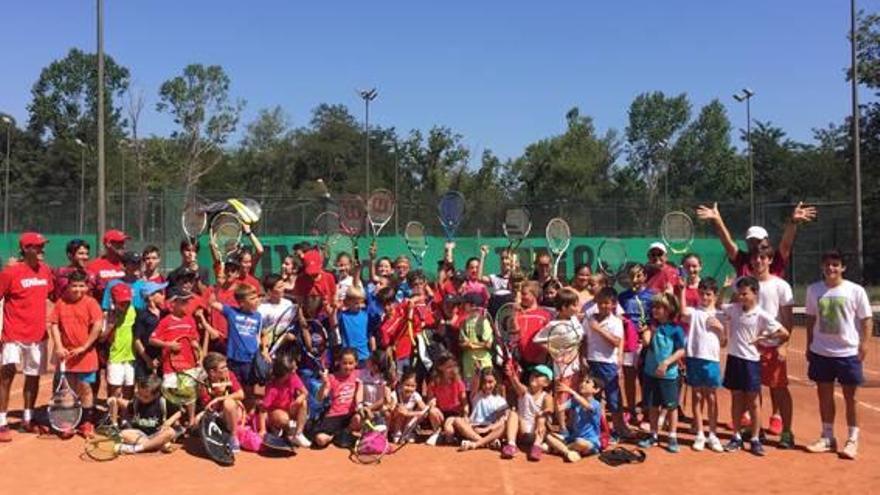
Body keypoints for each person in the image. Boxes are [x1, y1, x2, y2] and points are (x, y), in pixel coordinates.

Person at [804, 249, 873, 460]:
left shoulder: (855, 290)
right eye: (827, 264)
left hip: (848, 354)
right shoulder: (814, 290)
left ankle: (852, 439)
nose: (831, 268)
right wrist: (809, 344)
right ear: (822, 267)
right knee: (824, 395)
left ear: (842, 267)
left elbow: (866, 319)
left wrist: (864, 344)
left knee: (851, 398)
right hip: (821, 352)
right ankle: (827, 437)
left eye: (835, 264)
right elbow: (810, 319)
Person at [721, 276, 790, 456]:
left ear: (755, 293)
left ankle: (755, 439)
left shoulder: (762, 315)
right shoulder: (734, 309)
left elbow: (784, 333)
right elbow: (718, 306)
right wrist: (724, 289)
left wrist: (764, 339)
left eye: (745, 294)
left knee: (753, 401)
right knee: (736, 399)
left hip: (751, 362)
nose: (741, 297)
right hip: (734, 359)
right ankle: (736, 436)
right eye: (739, 293)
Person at [0, 232, 55, 440]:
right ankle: (2, 421)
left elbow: (52, 295)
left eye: (42, 246)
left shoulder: (45, 271)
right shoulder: (10, 272)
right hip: (13, 333)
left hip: (37, 334)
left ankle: (28, 418)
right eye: (37, 246)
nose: (42, 250)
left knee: (33, 376)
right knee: (6, 376)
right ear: (25, 249)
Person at [48, 269, 103, 438]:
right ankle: (67, 422)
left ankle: (87, 422)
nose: (78, 289)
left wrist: (85, 347)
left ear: (86, 286)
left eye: (82, 286)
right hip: (68, 356)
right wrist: (58, 346)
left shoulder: (91, 303)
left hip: (86, 355)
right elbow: (54, 324)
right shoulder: (61, 302)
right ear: (68, 285)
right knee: (68, 390)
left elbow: (98, 325)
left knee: (85, 389)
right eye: (74, 286)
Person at [695, 201, 816, 277]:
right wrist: (717, 220)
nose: (755, 245)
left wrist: (793, 222)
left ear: (766, 241)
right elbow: (727, 243)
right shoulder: (741, 260)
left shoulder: (776, 260)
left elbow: (786, 244)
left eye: (758, 240)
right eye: (751, 241)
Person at [750, 248, 796, 449]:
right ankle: (756, 429)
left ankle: (787, 432)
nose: (758, 261)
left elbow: (787, 319)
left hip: (774, 346)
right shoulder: (744, 284)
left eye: (763, 257)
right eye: (755, 258)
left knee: (779, 390)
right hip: (751, 347)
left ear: (770, 260)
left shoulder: (781, 286)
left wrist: (784, 345)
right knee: (752, 391)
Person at [679, 278, 726, 452]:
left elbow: (724, 342)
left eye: (708, 294)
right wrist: (682, 290)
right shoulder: (694, 312)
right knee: (697, 396)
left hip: (711, 360)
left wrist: (720, 328)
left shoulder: (719, 314)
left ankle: (712, 434)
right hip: (694, 359)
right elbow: (682, 310)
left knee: (711, 397)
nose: (704, 297)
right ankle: (699, 433)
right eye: (702, 293)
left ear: (714, 295)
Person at [637, 292, 686, 453]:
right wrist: (644, 332)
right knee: (653, 406)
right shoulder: (652, 326)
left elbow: (681, 351)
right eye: (654, 307)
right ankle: (653, 435)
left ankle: (672, 436)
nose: (655, 310)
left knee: (671, 407)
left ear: (669, 309)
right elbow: (646, 344)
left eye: (659, 307)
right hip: (650, 373)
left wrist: (666, 362)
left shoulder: (676, 329)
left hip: (669, 375)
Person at [149, 287, 201, 427]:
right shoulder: (165, 321)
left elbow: (194, 338)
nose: (187, 305)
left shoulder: (190, 320)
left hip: (188, 365)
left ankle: (191, 422)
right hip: (169, 366)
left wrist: (196, 347)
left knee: (189, 394)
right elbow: (152, 340)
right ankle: (175, 423)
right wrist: (169, 345)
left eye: (188, 302)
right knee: (171, 396)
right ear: (174, 304)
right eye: (183, 302)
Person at [583, 287, 627, 438]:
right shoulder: (589, 319)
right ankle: (596, 429)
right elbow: (584, 339)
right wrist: (583, 357)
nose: (603, 306)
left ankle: (618, 430)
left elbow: (616, 341)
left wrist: (599, 329)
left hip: (608, 364)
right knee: (592, 399)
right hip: (591, 362)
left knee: (613, 399)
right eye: (601, 303)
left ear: (614, 305)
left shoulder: (616, 322)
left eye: (607, 303)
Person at [209, 284, 266, 397]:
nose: (256, 301)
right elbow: (212, 303)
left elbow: (260, 336)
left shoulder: (258, 316)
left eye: (256, 298)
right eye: (252, 299)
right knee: (233, 389)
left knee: (250, 392)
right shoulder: (231, 312)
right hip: (234, 360)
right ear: (242, 303)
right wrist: (216, 286)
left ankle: (248, 414)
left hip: (250, 361)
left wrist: (264, 350)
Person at [106, 374, 182, 455]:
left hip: (157, 433)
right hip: (140, 434)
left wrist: (168, 422)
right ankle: (156, 445)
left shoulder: (162, 401)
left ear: (156, 394)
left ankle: (136, 449)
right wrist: (114, 401)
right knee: (123, 434)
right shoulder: (137, 401)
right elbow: (121, 402)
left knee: (170, 432)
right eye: (139, 394)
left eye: (145, 397)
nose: (141, 398)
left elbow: (179, 412)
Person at [618, 264, 653, 425]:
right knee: (629, 378)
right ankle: (631, 412)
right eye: (631, 276)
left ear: (645, 276)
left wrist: (648, 328)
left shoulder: (652, 296)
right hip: (628, 343)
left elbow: (657, 317)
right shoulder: (622, 297)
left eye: (638, 276)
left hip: (645, 342)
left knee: (645, 379)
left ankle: (647, 413)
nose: (635, 280)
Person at [545, 375, 604, 462]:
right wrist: (556, 396)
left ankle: (558, 449)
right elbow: (559, 409)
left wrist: (571, 391)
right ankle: (567, 452)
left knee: (580, 442)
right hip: (573, 438)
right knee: (549, 437)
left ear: (596, 390)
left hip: (590, 442)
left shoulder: (596, 404)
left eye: (587, 382)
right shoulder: (574, 400)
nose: (583, 384)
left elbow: (587, 406)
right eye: (583, 381)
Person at [501, 364, 553, 461]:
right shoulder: (524, 391)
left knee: (542, 418)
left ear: (547, 383)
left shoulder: (546, 396)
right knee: (513, 413)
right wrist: (512, 376)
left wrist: (541, 414)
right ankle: (511, 445)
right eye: (533, 374)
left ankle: (537, 446)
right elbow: (517, 385)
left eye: (538, 375)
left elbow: (550, 408)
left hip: (536, 431)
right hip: (521, 431)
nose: (534, 376)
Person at [259, 352, 311, 448]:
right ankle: (278, 429)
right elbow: (263, 409)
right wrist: (262, 430)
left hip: (290, 408)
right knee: (283, 419)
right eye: (293, 369)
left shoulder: (293, 377)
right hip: (275, 414)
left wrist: (300, 398)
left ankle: (298, 434)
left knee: (303, 402)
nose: (296, 370)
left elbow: (305, 392)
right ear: (285, 373)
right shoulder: (272, 388)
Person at [314, 348, 362, 448]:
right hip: (334, 416)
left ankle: (345, 432)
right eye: (344, 363)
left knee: (358, 419)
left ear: (356, 363)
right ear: (338, 362)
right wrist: (324, 383)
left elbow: (376, 376)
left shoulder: (359, 375)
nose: (348, 366)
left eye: (351, 363)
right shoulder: (331, 377)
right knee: (320, 440)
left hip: (350, 416)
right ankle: (337, 436)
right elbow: (320, 398)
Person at [453, 367, 509, 451]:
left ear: (496, 382)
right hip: (474, 429)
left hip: (490, 429)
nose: (487, 385)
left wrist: (487, 429)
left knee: (504, 424)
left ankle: (479, 442)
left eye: (490, 382)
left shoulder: (500, 400)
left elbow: (501, 420)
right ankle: (486, 442)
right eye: (484, 382)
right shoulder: (476, 395)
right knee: (457, 420)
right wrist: (477, 373)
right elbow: (475, 383)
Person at [425, 354, 468, 446]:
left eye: (453, 366)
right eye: (449, 367)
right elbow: (430, 400)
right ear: (440, 368)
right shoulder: (434, 382)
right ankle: (437, 432)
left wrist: (465, 415)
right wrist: (432, 404)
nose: (452, 369)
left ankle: (448, 434)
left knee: (449, 432)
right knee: (432, 411)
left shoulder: (458, 382)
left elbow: (465, 403)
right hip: (441, 413)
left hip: (454, 413)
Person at [106, 283, 137, 399]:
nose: (125, 305)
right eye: (122, 302)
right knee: (116, 390)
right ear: (113, 302)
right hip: (115, 357)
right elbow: (102, 338)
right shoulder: (109, 315)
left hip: (131, 357)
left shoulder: (133, 311)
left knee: (129, 388)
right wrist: (111, 326)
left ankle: (125, 415)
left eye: (127, 301)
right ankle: (113, 415)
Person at [132, 281, 167, 381]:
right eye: (159, 292)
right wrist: (148, 360)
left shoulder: (165, 314)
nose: (163, 295)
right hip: (145, 362)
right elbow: (137, 340)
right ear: (150, 297)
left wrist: (160, 358)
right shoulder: (142, 316)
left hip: (163, 360)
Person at [458, 293, 494, 387]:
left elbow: (488, 344)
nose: (463, 306)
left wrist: (472, 344)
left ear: (472, 306)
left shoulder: (484, 321)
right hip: (469, 366)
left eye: (466, 303)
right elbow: (463, 344)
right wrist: (476, 344)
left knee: (486, 389)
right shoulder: (464, 322)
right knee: (471, 394)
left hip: (484, 364)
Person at [388, 369, 431, 443]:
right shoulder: (395, 394)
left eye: (413, 386)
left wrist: (409, 413)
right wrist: (404, 412)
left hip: (407, 421)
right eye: (407, 385)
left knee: (417, 412)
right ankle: (397, 433)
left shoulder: (416, 395)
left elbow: (425, 411)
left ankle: (407, 433)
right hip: (395, 423)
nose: (410, 389)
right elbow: (391, 411)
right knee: (400, 409)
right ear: (401, 384)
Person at [86, 229, 128, 299]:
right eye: (119, 242)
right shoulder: (93, 266)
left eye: (124, 243)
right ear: (108, 244)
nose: (123, 246)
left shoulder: (129, 264)